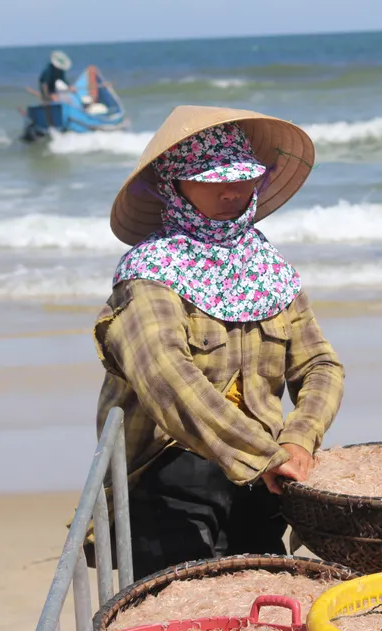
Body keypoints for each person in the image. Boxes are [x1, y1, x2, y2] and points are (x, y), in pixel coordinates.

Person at [89, 106, 345, 579]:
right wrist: (262, 455)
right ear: (174, 184)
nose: (232, 192)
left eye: (243, 177)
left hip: (263, 483)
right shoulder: (148, 275)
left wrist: (300, 439)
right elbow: (167, 378)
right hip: (165, 483)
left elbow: (321, 365)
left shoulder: (267, 267)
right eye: (210, 179)